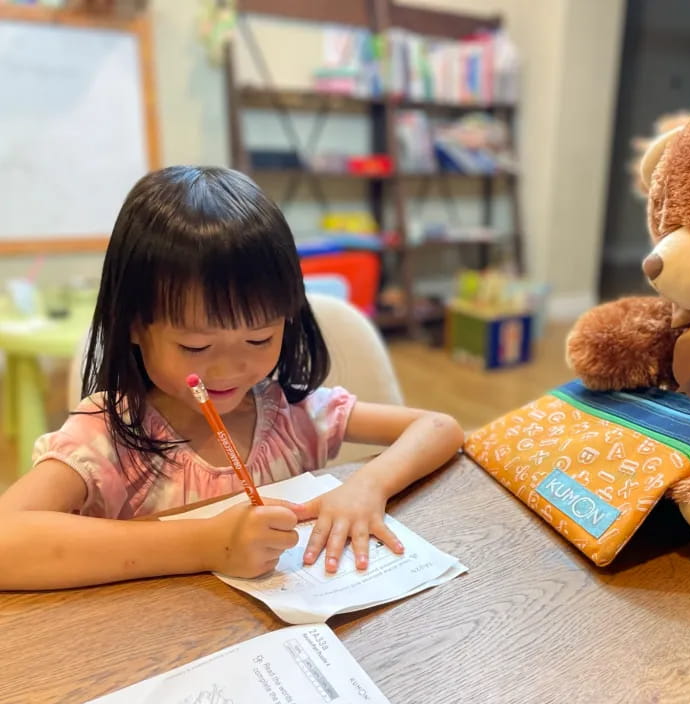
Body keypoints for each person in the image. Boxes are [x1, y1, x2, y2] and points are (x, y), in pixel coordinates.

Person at [0, 166, 463, 590]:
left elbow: (439, 428)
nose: (227, 370)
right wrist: (206, 544)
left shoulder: (291, 414)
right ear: (135, 326)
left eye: (259, 340)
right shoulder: (107, 436)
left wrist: (367, 485)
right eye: (196, 347)